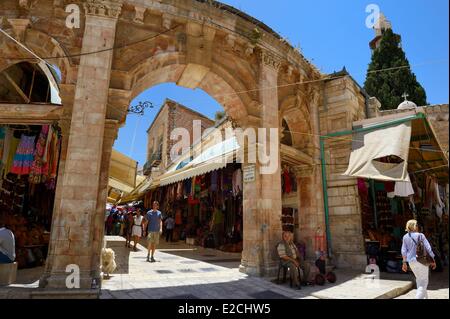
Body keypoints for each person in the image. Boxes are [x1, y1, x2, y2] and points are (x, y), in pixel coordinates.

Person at [401, 219, 437, 299]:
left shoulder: (405, 237)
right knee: (424, 282)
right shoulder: (420, 235)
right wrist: (433, 260)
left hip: (411, 262)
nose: (418, 227)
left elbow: (403, 251)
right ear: (413, 226)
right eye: (416, 225)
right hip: (421, 260)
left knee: (419, 280)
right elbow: (428, 248)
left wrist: (404, 262)